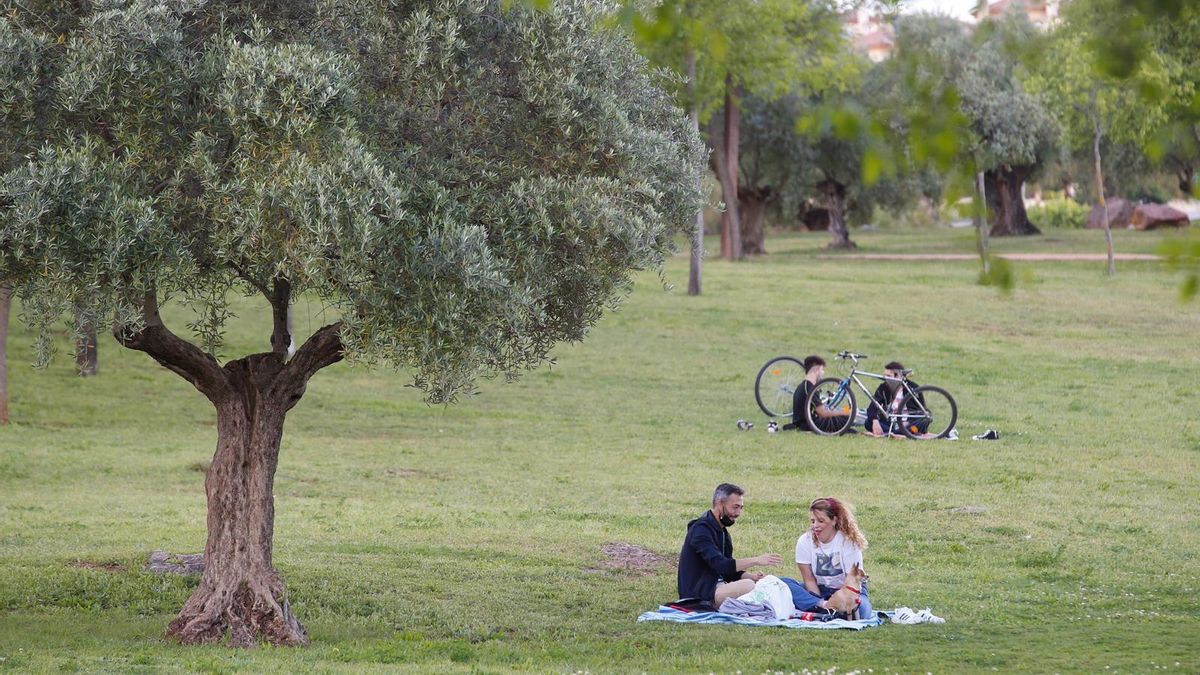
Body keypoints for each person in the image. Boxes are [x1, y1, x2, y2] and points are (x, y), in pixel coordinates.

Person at [677, 483, 783, 608]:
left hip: (719, 589)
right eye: (735, 507)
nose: (738, 513)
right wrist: (756, 560)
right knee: (749, 586)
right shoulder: (700, 530)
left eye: (741, 508)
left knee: (768, 582)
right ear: (720, 504)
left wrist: (753, 577)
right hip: (700, 595)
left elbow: (729, 573)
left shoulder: (722, 532)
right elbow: (722, 565)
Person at [783, 496, 874, 620]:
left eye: (820, 521)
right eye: (812, 521)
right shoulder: (805, 541)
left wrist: (839, 599)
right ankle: (825, 609)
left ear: (834, 520)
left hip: (848, 591)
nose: (815, 526)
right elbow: (809, 580)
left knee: (863, 612)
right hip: (820, 591)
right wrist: (821, 603)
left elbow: (851, 582)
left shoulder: (848, 542)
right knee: (779, 584)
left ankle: (825, 611)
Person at [863, 361, 929, 438]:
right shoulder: (884, 387)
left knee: (922, 423)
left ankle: (893, 433)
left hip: (909, 423)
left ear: (898, 376)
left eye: (888, 376)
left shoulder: (913, 387)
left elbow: (921, 411)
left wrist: (908, 422)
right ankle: (898, 434)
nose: (885, 378)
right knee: (868, 423)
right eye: (885, 375)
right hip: (892, 423)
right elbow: (872, 407)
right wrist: (875, 421)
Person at [791, 355, 852, 434]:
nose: (823, 373)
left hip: (805, 422)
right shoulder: (809, 388)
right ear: (816, 370)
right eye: (822, 369)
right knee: (846, 419)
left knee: (843, 418)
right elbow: (823, 413)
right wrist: (846, 412)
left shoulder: (804, 385)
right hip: (810, 424)